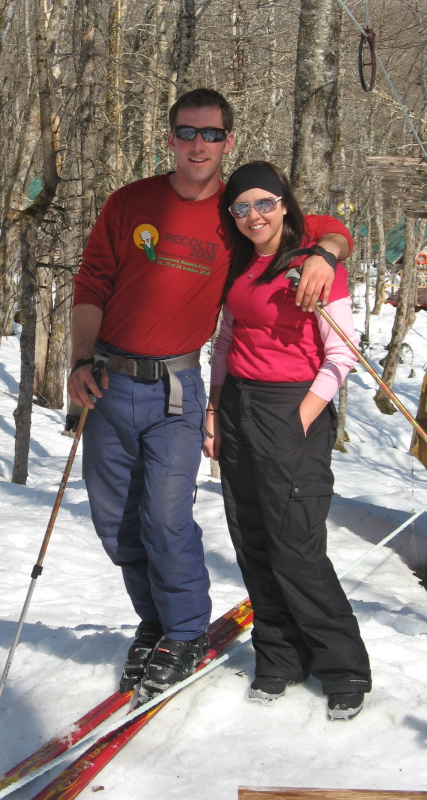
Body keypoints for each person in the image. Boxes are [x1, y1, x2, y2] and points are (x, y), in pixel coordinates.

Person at [67, 88, 354, 703]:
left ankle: (185, 631)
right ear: (169, 137)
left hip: (176, 384)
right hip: (111, 381)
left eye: (212, 134)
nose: (199, 144)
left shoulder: (233, 212)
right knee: (115, 524)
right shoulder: (130, 201)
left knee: (166, 518)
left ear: (227, 141)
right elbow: (92, 279)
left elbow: (320, 225)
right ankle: (154, 623)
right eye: (187, 132)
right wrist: (78, 360)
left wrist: (326, 253)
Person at [203, 160, 371, 720]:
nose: (254, 216)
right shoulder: (240, 265)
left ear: (283, 204)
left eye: (265, 204)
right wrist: (214, 406)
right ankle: (278, 657)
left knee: (296, 543)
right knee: (251, 536)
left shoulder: (314, 265)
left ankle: (342, 665)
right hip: (238, 405)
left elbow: (341, 353)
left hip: (291, 405)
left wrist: (302, 415)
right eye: (242, 207)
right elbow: (226, 338)